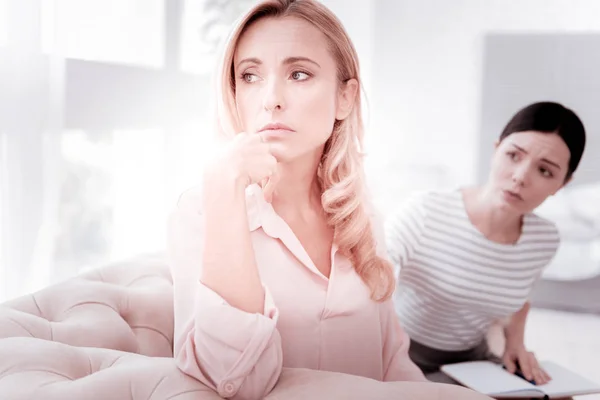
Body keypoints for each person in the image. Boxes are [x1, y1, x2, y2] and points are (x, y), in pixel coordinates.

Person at [166, 1, 439, 399]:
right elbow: (232, 379)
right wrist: (225, 192)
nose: (271, 99)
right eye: (250, 75)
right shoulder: (201, 213)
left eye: (298, 74)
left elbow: (393, 362)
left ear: (345, 98)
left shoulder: (363, 216)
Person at [385, 101, 586, 384]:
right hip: (400, 357)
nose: (520, 176)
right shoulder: (425, 211)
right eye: (514, 155)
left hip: (472, 364)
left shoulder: (544, 239)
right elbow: (373, 275)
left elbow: (520, 299)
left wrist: (516, 343)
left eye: (545, 171)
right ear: (496, 150)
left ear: (562, 185)